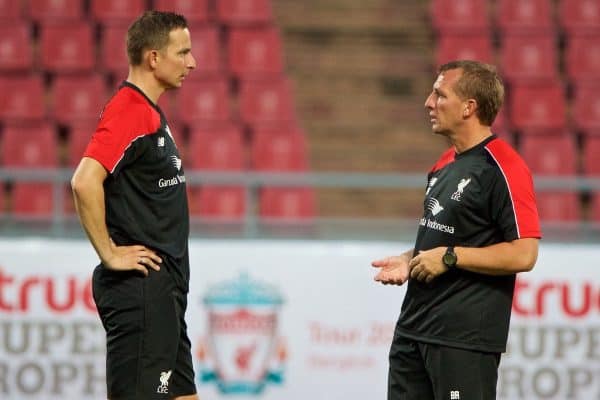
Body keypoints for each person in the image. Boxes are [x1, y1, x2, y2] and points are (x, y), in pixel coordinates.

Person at [371, 60, 541, 400]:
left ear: (469, 107)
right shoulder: (444, 163)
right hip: (413, 331)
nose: (428, 103)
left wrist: (449, 257)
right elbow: (444, 237)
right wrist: (411, 259)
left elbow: (525, 253)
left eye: (439, 94)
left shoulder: (506, 168)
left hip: (462, 340)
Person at [71, 11, 199, 400]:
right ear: (154, 58)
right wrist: (109, 254)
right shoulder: (129, 109)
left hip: (164, 292)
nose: (192, 63)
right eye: (184, 52)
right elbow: (83, 180)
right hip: (142, 291)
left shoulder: (148, 112)